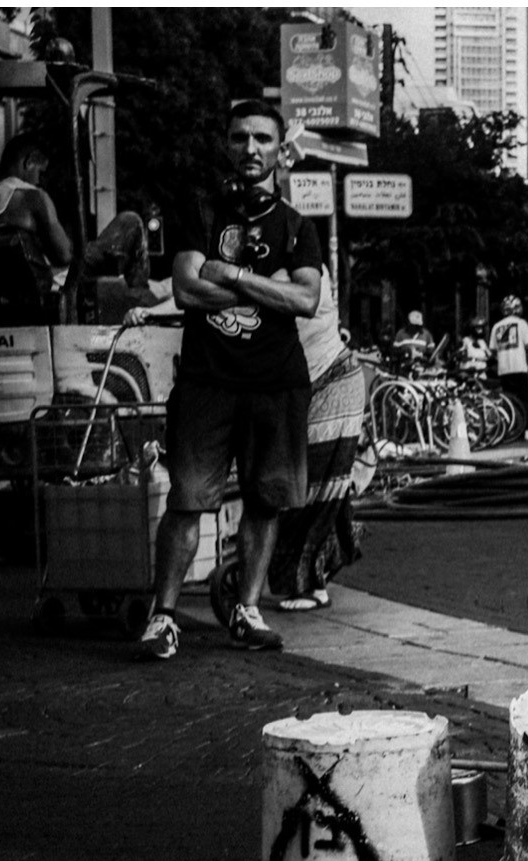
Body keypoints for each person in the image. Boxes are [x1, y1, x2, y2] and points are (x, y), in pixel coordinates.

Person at [137, 98, 324, 659]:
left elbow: (307, 299)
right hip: (207, 381)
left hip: (277, 383)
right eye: (240, 137)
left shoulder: (296, 225)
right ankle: (162, 617)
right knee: (188, 501)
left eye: (262, 139)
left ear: (278, 148)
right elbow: (189, 290)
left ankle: (246, 609)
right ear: (227, 143)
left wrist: (233, 273)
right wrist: (269, 286)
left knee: (266, 503)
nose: (251, 149)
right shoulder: (199, 211)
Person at [269, 265, 369, 611]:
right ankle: (314, 580)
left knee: (314, 486)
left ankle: (308, 583)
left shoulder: (303, 273)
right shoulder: (274, 271)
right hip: (311, 388)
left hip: (335, 382)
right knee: (325, 486)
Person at [0, 131, 153, 298]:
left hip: (1, 288)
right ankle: (141, 298)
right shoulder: (32, 197)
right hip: (45, 283)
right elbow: (64, 256)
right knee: (130, 222)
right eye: (40, 172)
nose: (39, 180)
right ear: (29, 161)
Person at [489, 294, 528, 424]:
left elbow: (492, 350)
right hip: (519, 367)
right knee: (524, 399)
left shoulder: (496, 327)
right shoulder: (522, 324)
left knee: (509, 400)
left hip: (504, 369)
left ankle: (513, 426)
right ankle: (527, 426)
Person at [456, 317, 491, 381]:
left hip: (481, 374)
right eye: (478, 328)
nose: (481, 331)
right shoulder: (466, 341)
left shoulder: (482, 342)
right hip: (469, 374)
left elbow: (490, 356)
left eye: (482, 328)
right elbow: (459, 355)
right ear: (472, 329)